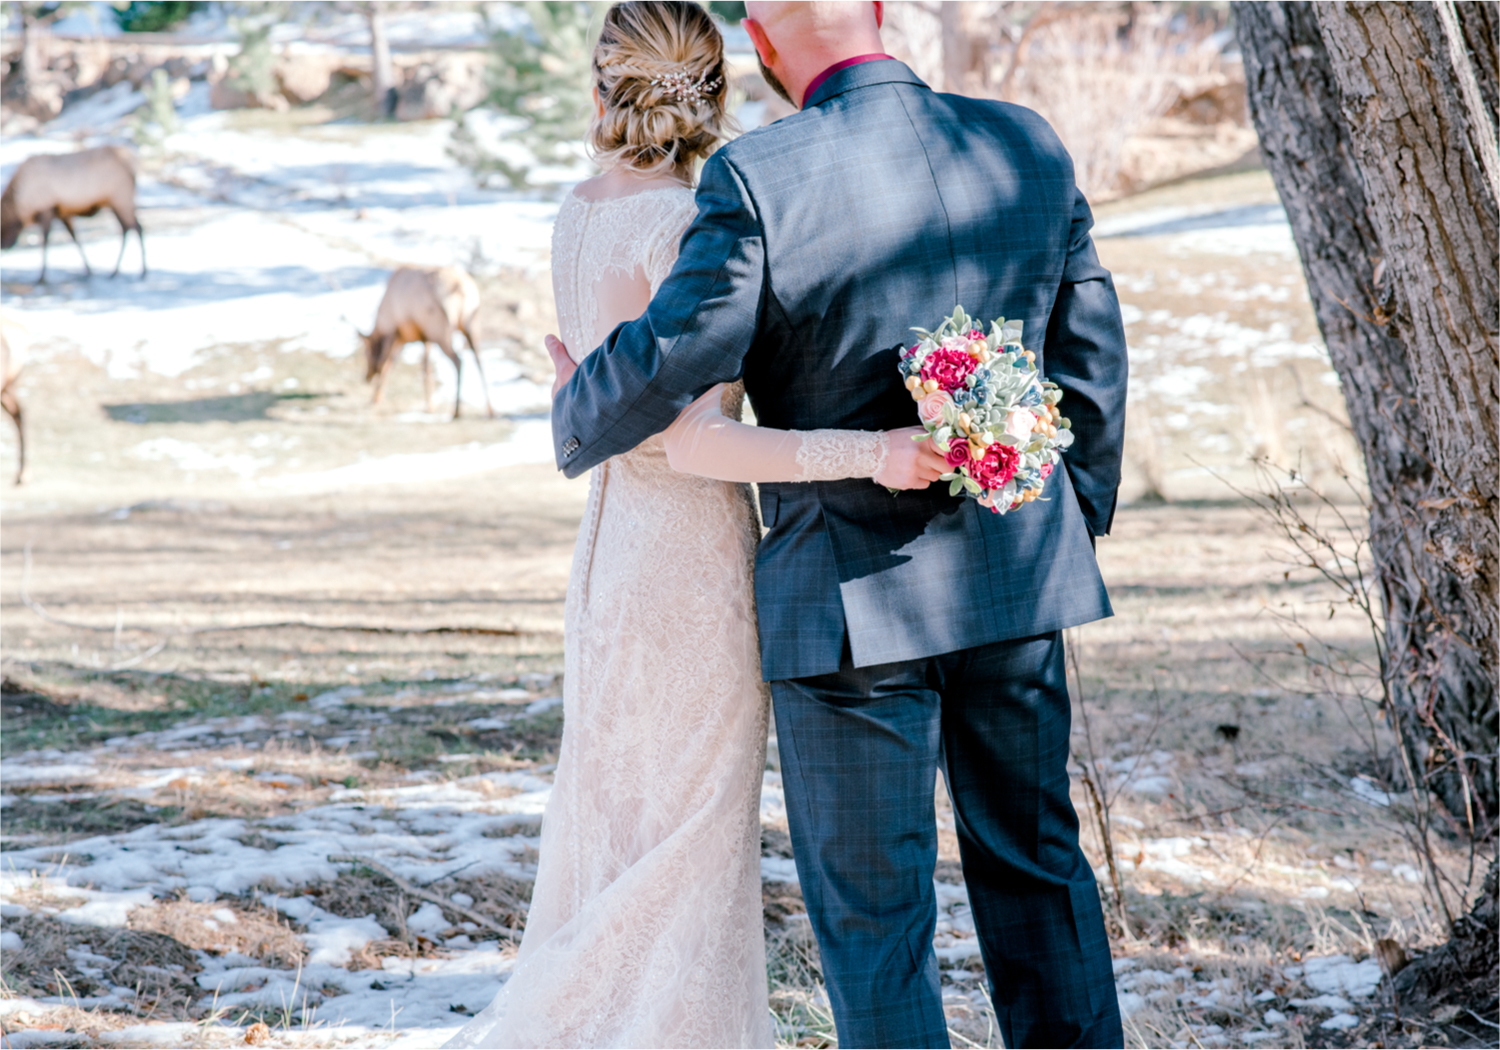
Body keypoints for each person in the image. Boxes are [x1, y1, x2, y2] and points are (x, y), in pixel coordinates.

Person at [545, 2, 1130, 1047]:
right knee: (1040, 872)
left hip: (848, 608)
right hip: (1013, 580)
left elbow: (680, 351)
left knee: (877, 927)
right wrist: (1064, 520)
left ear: (762, 44)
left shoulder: (760, 178)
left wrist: (577, 405)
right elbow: (1090, 348)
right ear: (875, 12)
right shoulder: (1025, 142)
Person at [445, 4, 946, 1047]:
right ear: (713, 92)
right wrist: (873, 452)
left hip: (610, 554)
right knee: (692, 839)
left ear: (605, 88)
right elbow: (696, 444)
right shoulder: (683, 226)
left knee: (620, 826)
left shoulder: (579, 212)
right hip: (686, 564)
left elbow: (604, 403)